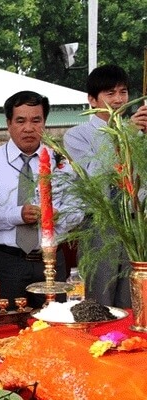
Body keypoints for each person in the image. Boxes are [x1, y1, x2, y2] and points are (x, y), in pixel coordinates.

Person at [0, 91, 81, 309]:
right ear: (8, 123)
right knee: (7, 330)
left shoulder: (60, 161)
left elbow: (77, 208)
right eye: (20, 120)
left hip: (51, 260)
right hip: (8, 262)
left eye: (36, 120)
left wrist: (58, 216)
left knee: (55, 328)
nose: (28, 128)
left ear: (45, 123)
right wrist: (17, 214)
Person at [63, 65, 147, 308]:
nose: (119, 99)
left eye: (123, 92)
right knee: (99, 300)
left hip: (137, 225)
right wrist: (127, 135)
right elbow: (96, 174)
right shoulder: (78, 135)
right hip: (100, 225)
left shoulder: (140, 131)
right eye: (110, 93)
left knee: (134, 299)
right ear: (92, 99)